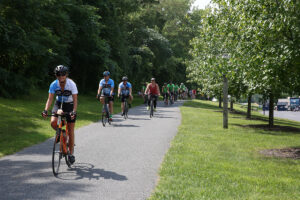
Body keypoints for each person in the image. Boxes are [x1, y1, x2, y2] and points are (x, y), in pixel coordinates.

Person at [42, 65, 78, 164]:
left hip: (70, 105)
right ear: (56, 75)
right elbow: (50, 99)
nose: (61, 76)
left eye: (63, 74)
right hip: (58, 104)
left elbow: (75, 100)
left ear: (66, 75)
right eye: (58, 74)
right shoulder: (54, 84)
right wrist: (45, 110)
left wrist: (73, 111)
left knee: (71, 130)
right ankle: (62, 133)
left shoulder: (71, 84)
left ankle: (71, 153)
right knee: (53, 122)